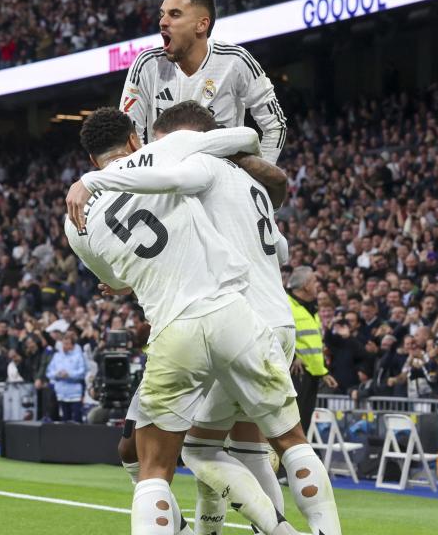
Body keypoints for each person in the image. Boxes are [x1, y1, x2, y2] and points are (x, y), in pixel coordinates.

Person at [65, 108, 340, 535]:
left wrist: (93, 184)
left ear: (89, 160)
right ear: (137, 140)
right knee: (288, 442)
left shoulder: (73, 219)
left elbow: (115, 277)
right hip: (238, 314)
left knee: (154, 466)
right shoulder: (170, 153)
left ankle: (252, 529)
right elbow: (248, 137)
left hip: (174, 327)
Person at [120, 0, 287, 163]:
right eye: (162, 14)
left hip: (220, 181)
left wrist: (258, 176)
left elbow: (275, 125)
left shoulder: (235, 61)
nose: (163, 22)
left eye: (175, 14)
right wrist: (146, 177)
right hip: (166, 180)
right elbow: (128, 132)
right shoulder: (147, 64)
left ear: (201, 24)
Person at [288, 266, 339, 431]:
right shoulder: (286, 305)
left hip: (311, 374)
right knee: (292, 424)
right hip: (296, 372)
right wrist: (293, 357)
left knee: (303, 423)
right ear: (306, 286)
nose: (318, 285)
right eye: (315, 281)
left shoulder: (312, 308)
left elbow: (312, 346)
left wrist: (323, 372)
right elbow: (276, 336)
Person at [45, 332, 86, 422]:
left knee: (77, 421)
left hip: (75, 394)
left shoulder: (78, 356)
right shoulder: (57, 356)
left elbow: (82, 373)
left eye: (67, 344)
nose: (65, 346)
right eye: (63, 343)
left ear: (72, 345)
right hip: (61, 394)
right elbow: (49, 372)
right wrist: (57, 374)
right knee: (65, 421)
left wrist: (69, 374)